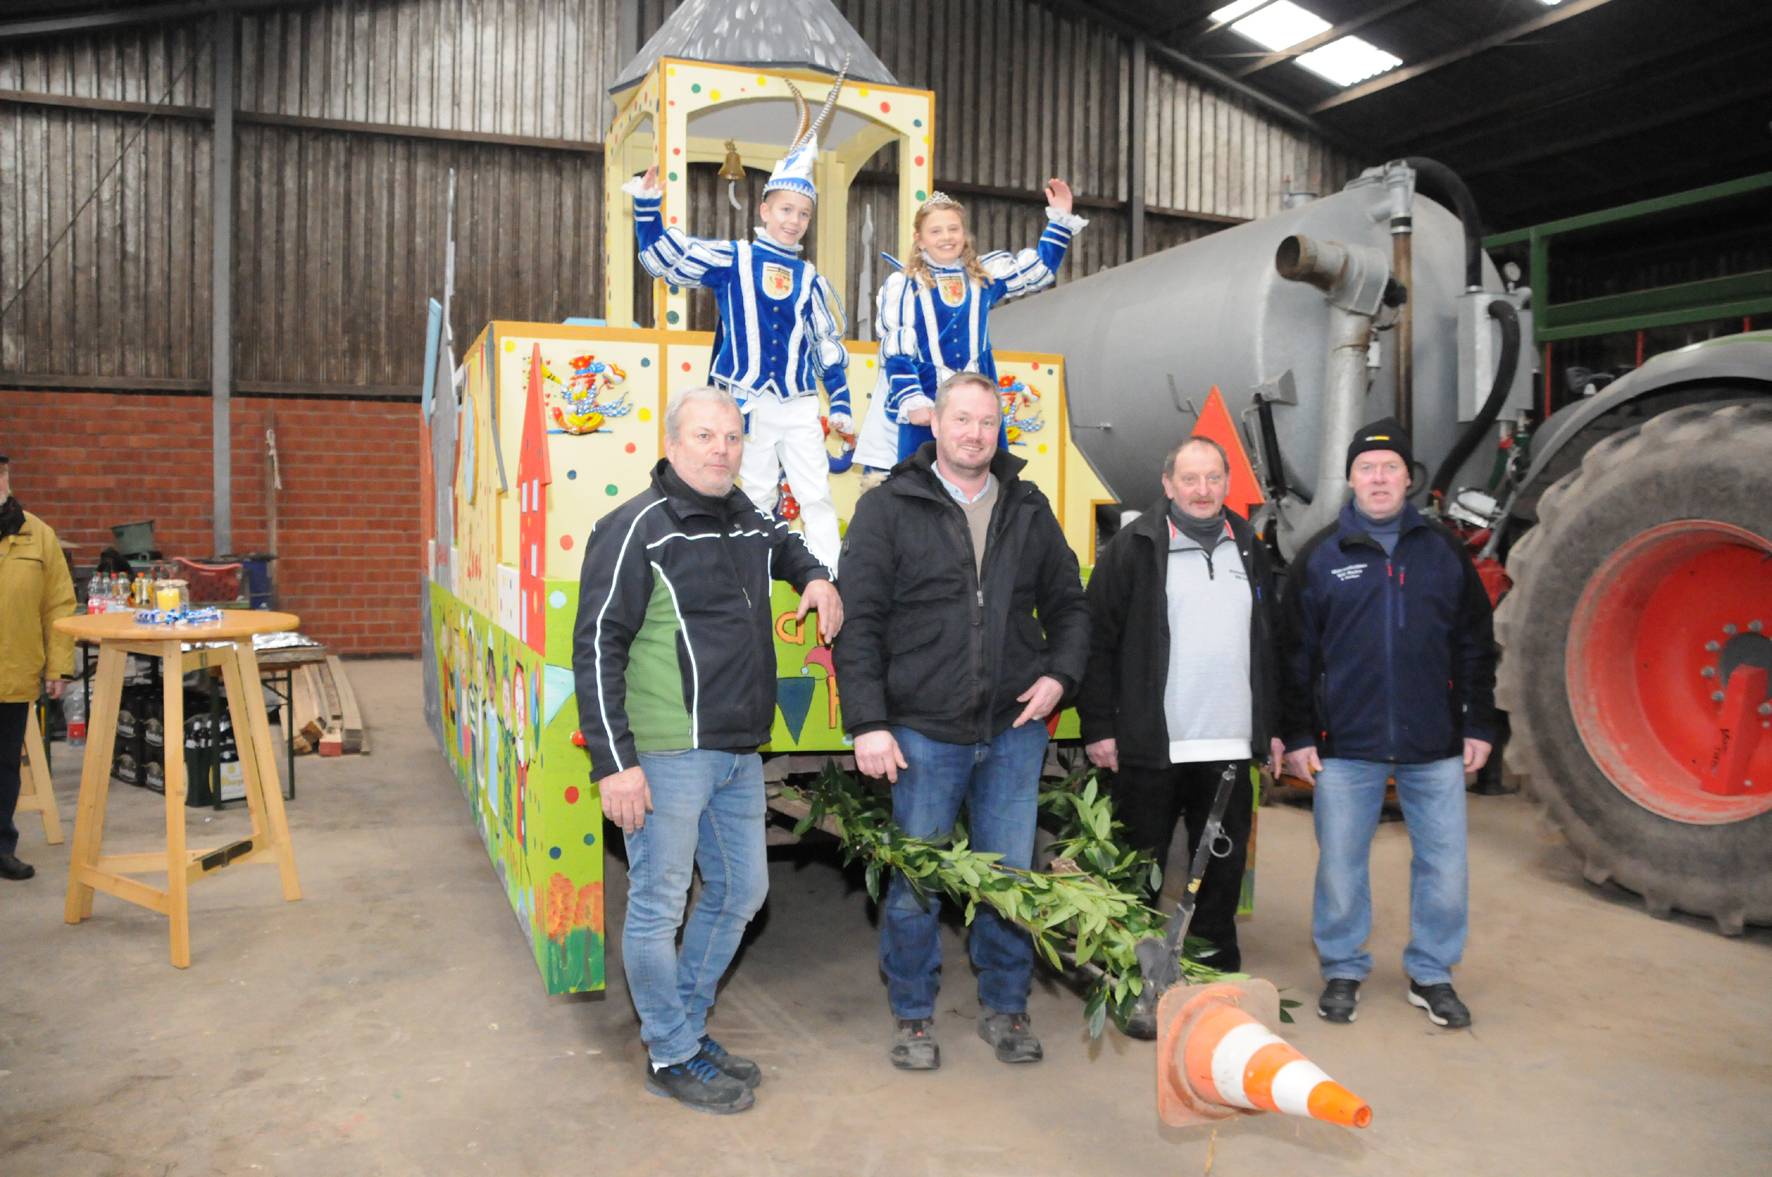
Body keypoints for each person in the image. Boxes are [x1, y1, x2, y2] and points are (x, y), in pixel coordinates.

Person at [572, 386, 842, 1114]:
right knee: (659, 906)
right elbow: (596, 646)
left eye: (730, 436)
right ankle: (670, 1050)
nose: (720, 447)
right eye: (704, 435)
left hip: (736, 747)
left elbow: (785, 543)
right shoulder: (636, 528)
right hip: (666, 750)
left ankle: (684, 1026)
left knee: (742, 891)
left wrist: (814, 575)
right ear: (672, 442)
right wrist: (613, 762)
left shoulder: (743, 516)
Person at [835, 371, 1090, 1071]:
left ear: (998, 429)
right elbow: (859, 626)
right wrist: (868, 722)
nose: (975, 433)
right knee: (917, 882)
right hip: (920, 731)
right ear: (936, 427)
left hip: (1012, 729)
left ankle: (1006, 1006)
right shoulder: (889, 508)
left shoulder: (1029, 507)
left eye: (987, 421)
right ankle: (913, 1013)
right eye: (962, 420)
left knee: (1009, 878)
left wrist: (1060, 675)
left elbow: (1071, 605)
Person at [1279, 418, 1497, 1031]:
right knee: (1341, 863)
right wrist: (1296, 734)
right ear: (1350, 479)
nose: (1378, 478)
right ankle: (1343, 967)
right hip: (1346, 743)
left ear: (1409, 478)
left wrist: (1479, 722)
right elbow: (1291, 653)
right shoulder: (1322, 557)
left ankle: (1432, 973)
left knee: (1445, 866)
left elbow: (1476, 644)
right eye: (1366, 468)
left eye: (1390, 468)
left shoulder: (1444, 553)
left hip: (1435, 744)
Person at [1077, 436, 1282, 1037]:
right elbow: (1098, 642)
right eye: (1189, 479)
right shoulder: (1133, 548)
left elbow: (1270, 643)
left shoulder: (1250, 546)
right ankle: (1136, 989)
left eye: (1212, 478)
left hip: (1227, 747)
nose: (1201, 490)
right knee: (1138, 871)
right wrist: (1099, 726)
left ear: (1226, 484)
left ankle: (1218, 991)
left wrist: (1267, 729)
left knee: (1220, 876)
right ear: (1167, 484)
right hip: (1152, 746)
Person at [624, 77, 852, 570]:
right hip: (746, 400)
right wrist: (647, 208)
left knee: (815, 494)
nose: (794, 221)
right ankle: (758, 580)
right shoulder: (735, 257)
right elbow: (668, 258)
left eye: (804, 214)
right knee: (757, 495)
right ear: (765, 209)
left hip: (797, 401)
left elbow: (826, 345)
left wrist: (843, 403)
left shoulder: (811, 277)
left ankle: (834, 579)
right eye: (786, 210)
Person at [876, 184, 1086, 462]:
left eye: (953, 229)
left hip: (980, 399)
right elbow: (897, 349)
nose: (946, 237)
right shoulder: (902, 284)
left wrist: (1059, 219)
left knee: (992, 480)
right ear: (919, 238)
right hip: (927, 401)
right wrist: (911, 398)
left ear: (964, 234)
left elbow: (1039, 270)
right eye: (935, 231)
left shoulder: (983, 276)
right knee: (920, 486)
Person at [0, 453, 77, 881]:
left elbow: (59, 605)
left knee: (5, 767)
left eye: (1, 472)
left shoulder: (37, 534)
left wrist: (58, 668)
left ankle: (1, 846)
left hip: (12, 673)